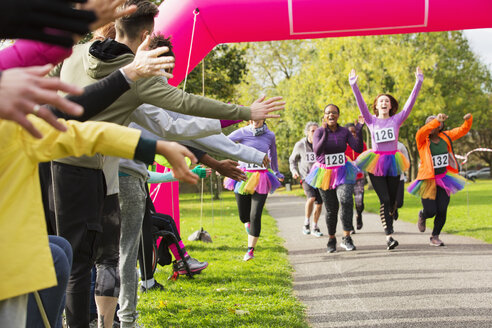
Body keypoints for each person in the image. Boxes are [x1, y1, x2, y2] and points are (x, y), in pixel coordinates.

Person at [46, 1, 283, 325]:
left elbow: (51, 91)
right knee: (104, 259)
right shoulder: (135, 76)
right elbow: (181, 112)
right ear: (145, 35)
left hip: (54, 165)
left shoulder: (75, 52)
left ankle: (101, 321)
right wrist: (243, 112)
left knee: (72, 258)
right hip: (98, 173)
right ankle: (115, 320)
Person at [0, 110, 196, 327]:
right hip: (95, 182)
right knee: (84, 257)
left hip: (92, 183)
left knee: (67, 250)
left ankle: (99, 319)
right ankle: (118, 318)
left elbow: (81, 132)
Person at [349, 67, 423, 250]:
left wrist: (418, 82)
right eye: (381, 101)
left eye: (387, 101)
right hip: (376, 163)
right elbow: (361, 105)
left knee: (392, 200)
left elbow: (410, 104)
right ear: (377, 105)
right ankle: (389, 236)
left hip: (394, 162)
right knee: (385, 199)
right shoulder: (371, 120)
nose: (384, 102)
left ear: (390, 106)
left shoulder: (396, 120)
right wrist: (354, 85)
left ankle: (392, 212)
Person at [305, 105, 363, 253]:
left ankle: (347, 237)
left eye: (334, 113)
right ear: (324, 116)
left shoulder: (344, 131)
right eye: (328, 113)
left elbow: (357, 148)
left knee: (346, 200)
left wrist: (360, 129)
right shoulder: (319, 131)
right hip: (324, 173)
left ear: (338, 115)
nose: (331, 115)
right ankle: (331, 239)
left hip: (343, 170)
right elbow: (317, 150)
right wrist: (324, 131)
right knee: (331, 208)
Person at [408, 113, 472, 246]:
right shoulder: (422, 139)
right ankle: (423, 215)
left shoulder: (446, 136)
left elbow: (462, 130)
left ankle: (435, 236)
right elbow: (422, 131)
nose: (434, 125)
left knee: (442, 209)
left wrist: (467, 120)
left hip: (444, 178)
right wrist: (435, 120)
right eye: (430, 123)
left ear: (441, 126)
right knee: (431, 211)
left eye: (437, 123)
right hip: (427, 179)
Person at [224, 120, 284, 261]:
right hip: (244, 176)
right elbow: (224, 142)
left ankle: (250, 250)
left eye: (259, 117)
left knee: (255, 214)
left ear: (263, 119)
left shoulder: (270, 135)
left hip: (262, 176)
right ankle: (248, 225)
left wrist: (276, 171)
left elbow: (273, 154)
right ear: (250, 118)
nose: (256, 120)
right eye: (253, 116)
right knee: (244, 216)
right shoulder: (243, 132)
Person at [289, 121, 323, 237]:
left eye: (317, 131)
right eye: (312, 131)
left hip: (320, 177)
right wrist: (294, 171)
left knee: (319, 203)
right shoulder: (300, 145)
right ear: (307, 132)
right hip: (306, 177)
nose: (315, 133)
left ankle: (315, 226)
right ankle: (306, 223)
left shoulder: (322, 143)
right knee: (312, 198)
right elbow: (292, 160)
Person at [344, 122, 368, 231]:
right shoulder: (342, 145)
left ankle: (359, 215)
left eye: (354, 132)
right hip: (346, 178)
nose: (353, 134)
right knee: (347, 202)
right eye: (350, 132)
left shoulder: (362, 144)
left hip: (359, 177)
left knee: (359, 202)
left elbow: (367, 157)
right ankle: (350, 225)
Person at [394, 141, 410, 221]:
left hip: (399, 177)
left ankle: (395, 208)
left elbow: (407, 160)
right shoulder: (383, 145)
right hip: (386, 177)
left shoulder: (400, 146)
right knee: (388, 201)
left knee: (399, 203)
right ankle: (389, 224)